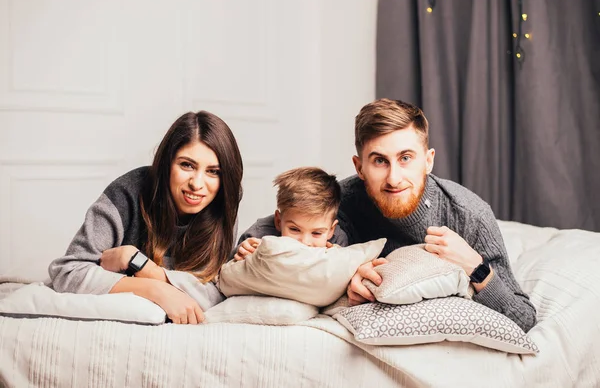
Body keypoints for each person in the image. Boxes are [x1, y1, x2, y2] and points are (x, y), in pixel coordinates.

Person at [236, 99, 537, 333]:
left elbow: (523, 317)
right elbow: (278, 221)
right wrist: (251, 243)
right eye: (380, 161)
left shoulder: (468, 214)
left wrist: (475, 266)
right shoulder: (345, 198)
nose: (394, 178)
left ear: (428, 161)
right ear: (359, 167)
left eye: (406, 158)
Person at [48, 110, 243, 325]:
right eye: (187, 165)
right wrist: (154, 290)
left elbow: (216, 292)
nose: (197, 184)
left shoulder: (222, 205)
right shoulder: (127, 192)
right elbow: (68, 273)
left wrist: (139, 264)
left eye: (213, 171)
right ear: (166, 163)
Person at [232, 166, 347, 260]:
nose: (304, 243)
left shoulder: (337, 241)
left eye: (316, 233)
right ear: (278, 221)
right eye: (294, 229)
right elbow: (228, 272)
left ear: (331, 230)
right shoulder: (258, 235)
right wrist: (241, 255)